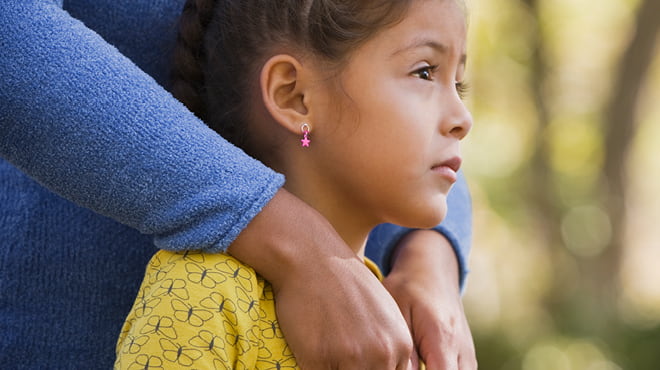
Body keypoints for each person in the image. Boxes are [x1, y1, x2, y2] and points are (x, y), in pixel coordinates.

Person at [0, 0, 474, 369]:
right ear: (294, 96)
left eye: (461, 84)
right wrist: (295, 248)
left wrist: (429, 257)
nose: (464, 119)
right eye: (425, 72)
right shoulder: (200, 298)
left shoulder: (388, 312)